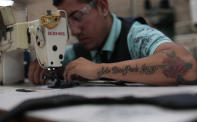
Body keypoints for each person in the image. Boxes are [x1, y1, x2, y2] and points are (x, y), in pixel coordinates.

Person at [28, 0, 197, 86]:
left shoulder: (137, 36)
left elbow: (186, 65)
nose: (74, 31)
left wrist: (99, 70)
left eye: (78, 17)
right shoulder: (75, 53)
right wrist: (47, 67)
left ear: (102, 6)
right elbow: (56, 66)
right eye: (67, 24)